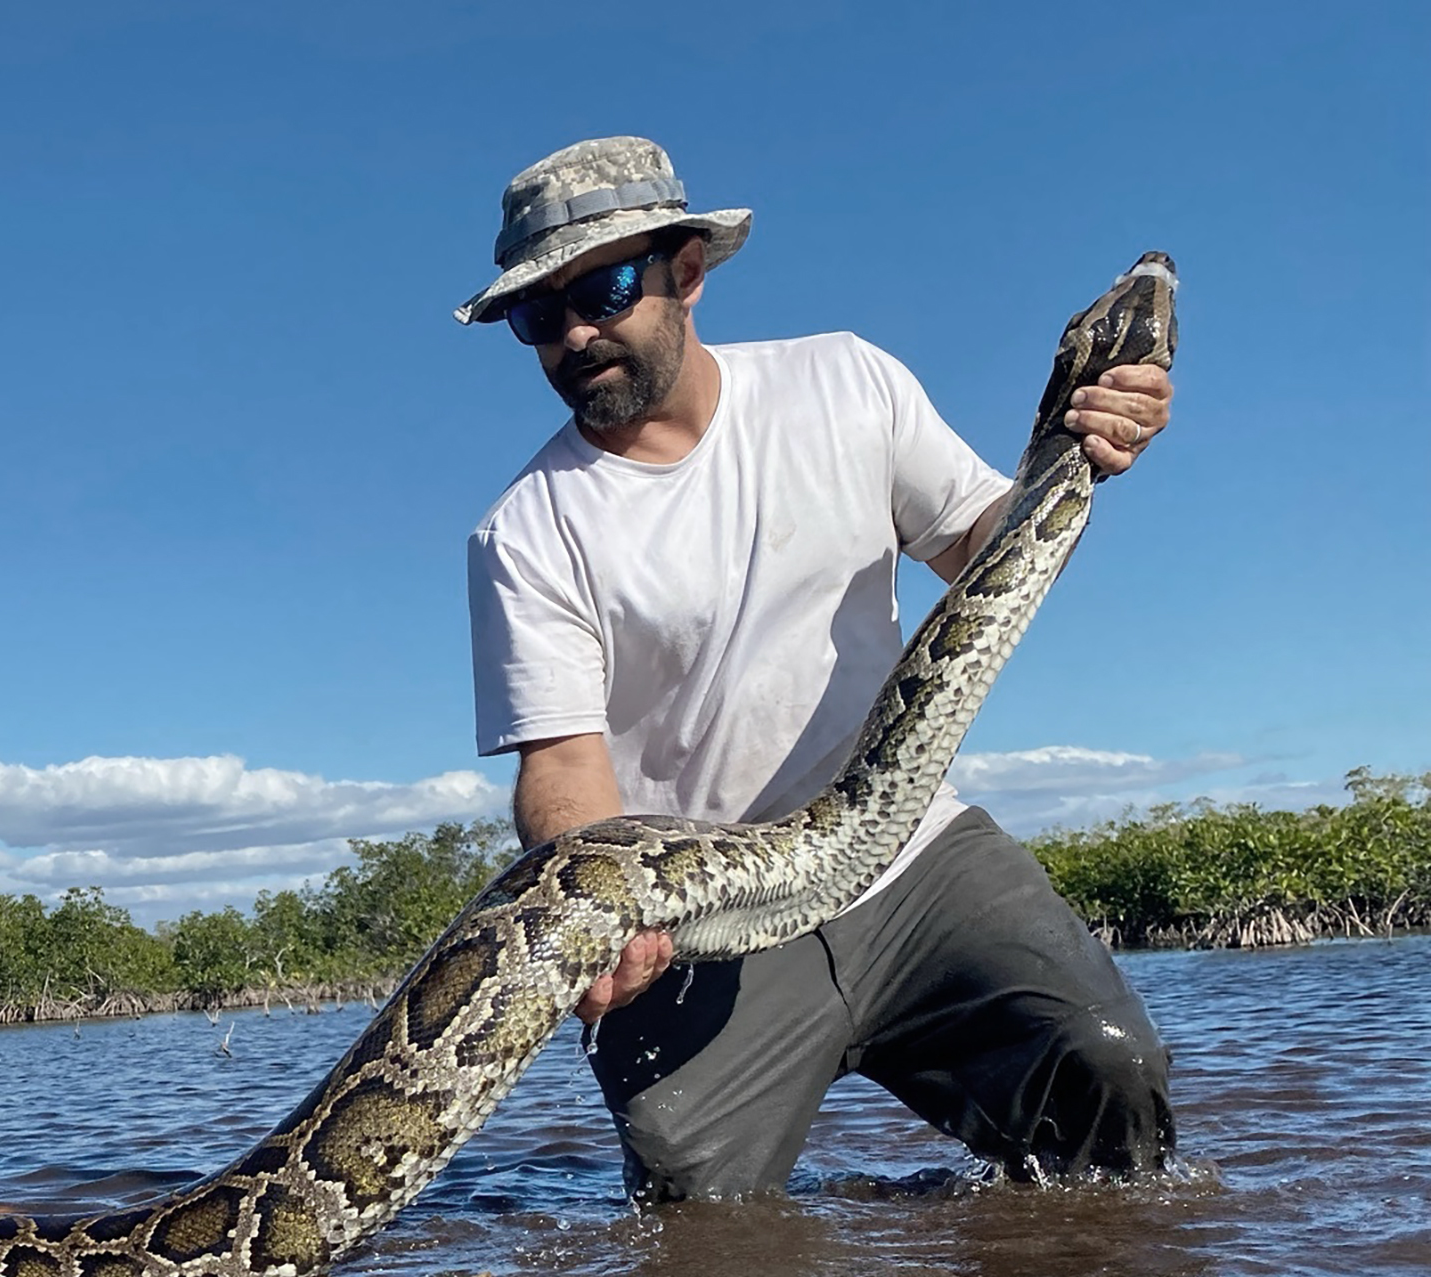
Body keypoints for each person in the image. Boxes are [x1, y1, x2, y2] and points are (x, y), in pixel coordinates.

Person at [456, 137, 1176, 1200]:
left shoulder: (845, 379)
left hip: (911, 858)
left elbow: (987, 552)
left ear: (686, 273)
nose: (573, 333)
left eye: (603, 290)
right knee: (694, 1226)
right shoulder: (522, 531)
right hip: (696, 916)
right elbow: (563, 768)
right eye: (536, 315)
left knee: (1110, 1076)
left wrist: (1086, 451)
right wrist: (610, 907)